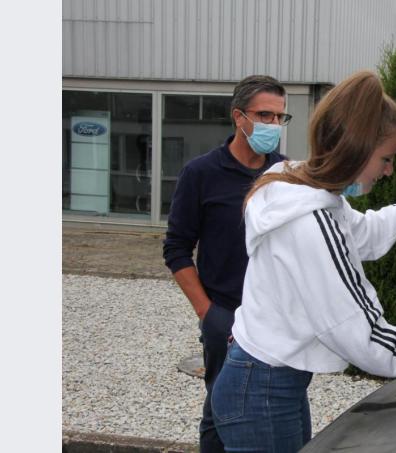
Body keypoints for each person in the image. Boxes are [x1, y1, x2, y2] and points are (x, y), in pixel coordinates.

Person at [211, 71, 396, 452]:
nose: (389, 170)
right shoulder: (311, 221)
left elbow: (365, 235)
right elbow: (367, 337)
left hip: (265, 379)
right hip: (263, 390)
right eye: (386, 158)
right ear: (355, 149)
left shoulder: (294, 182)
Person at [162, 75, 290, 453]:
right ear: (239, 117)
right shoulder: (201, 174)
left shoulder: (287, 175)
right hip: (226, 316)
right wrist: (209, 314)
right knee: (222, 408)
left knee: (270, 406)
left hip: (275, 318)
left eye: (280, 117)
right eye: (264, 115)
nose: (273, 125)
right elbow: (177, 250)